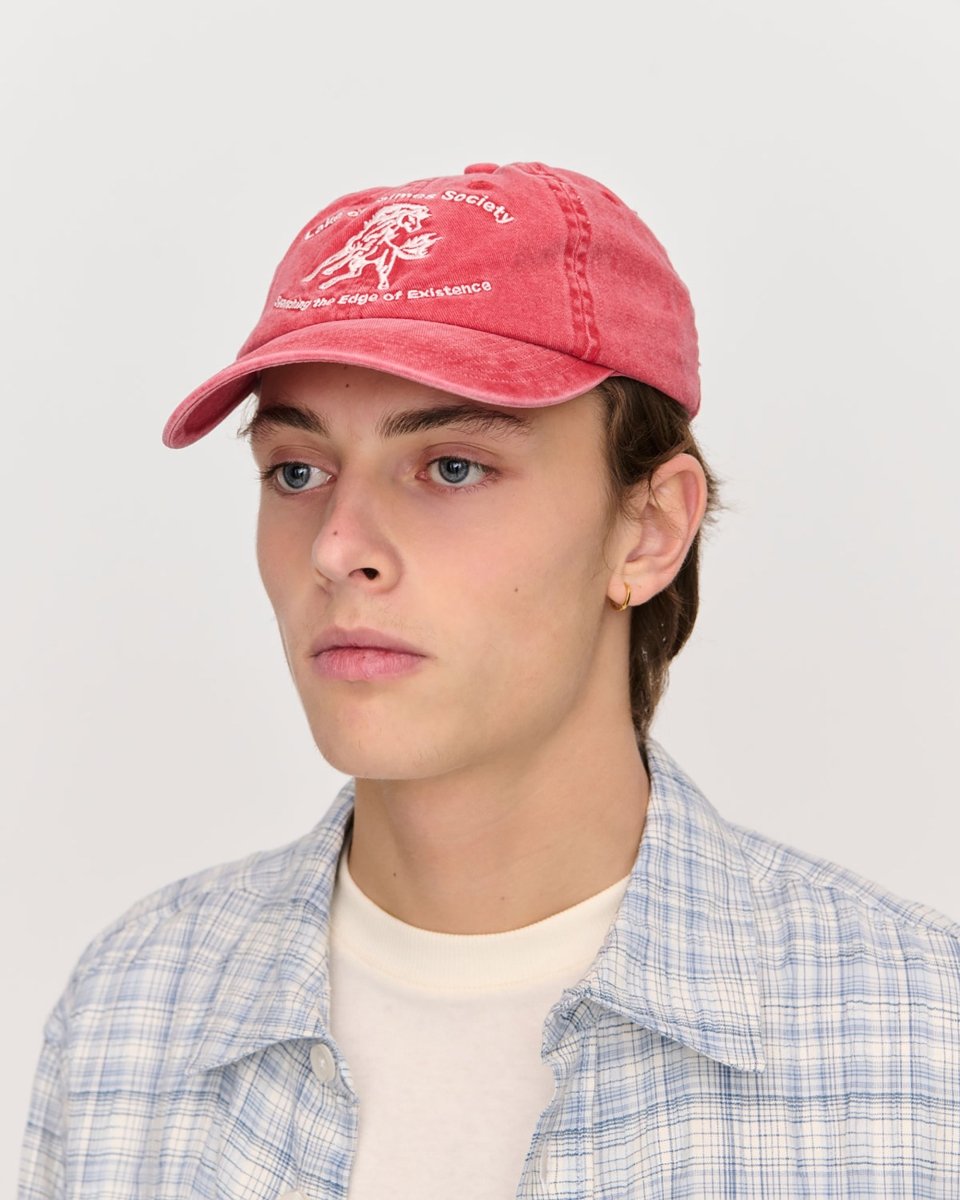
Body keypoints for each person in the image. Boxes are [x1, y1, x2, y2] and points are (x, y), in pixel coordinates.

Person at [18, 161, 960, 1199]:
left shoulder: (919, 1049)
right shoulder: (131, 1015)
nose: (337, 547)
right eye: (297, 471)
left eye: (452, 467)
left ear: (649, 531)